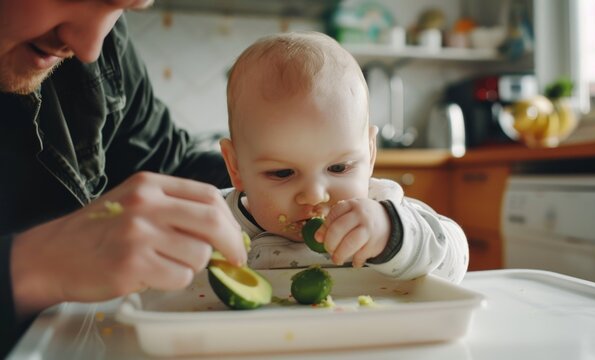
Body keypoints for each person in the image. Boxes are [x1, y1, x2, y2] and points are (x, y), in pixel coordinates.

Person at [0, 1, 247, 355]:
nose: (90, 49)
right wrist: (30, 267)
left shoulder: (101, 47)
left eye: (123, 8)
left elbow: (170, 163)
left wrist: (284, 177)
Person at [219, 32, 469, 281]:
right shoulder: (218, 222)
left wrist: (392, 236)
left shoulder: (384, 207)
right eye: (282, 173)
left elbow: (456, 263)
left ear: (370, 153)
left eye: (338, 167)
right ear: (236, 167)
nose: (314, 195)